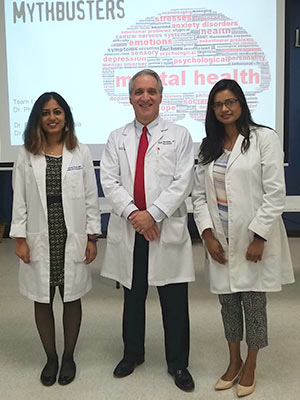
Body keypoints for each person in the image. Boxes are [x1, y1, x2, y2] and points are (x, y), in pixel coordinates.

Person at [192, 79, 294, 397]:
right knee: (228, 305)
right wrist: (207, 235)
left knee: (253, 304)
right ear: (212, 109)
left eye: (230, 102)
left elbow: (276, 193)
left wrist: (259, 236)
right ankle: (233, 360)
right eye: (218, 104)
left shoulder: (263, 138)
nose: (224, 108)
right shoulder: (207, 146)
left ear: (241, 104)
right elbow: (197, 197)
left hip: (251, 240)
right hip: (220, 241)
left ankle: (251, 364)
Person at [100, 69, 195, 392]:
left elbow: (183, 182)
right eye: (139, 91)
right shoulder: (116, 137)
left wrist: (152, 215)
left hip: (164, 229)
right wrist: (134, 215)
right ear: (129, 98)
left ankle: (178, 363)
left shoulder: (179, 135)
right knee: (133, 296)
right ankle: (133, 354)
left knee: (174, 300)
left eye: (151, 91)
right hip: (132, 230)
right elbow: (109, 181)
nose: (145, 97)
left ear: (161, 96)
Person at [10, 92, 100, 387]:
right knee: (43, 297)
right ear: (38, 118)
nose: (52, 117)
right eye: (46, 112)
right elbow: (19, 199)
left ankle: (69, 356)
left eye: (58, 111)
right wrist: (20, 238)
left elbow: (90, 197)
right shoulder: (25, 153)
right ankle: (51, 357)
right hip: (40, 233)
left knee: (71, 296)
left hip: (69, 232)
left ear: (66, 117)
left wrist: (92, 236)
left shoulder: (80, 151)